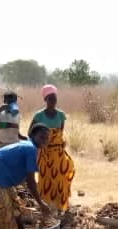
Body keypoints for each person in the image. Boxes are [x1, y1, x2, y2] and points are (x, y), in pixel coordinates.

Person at [31, 85, 75, 213]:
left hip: (58, 153)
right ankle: (47, 207)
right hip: (45, 154)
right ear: (45, 99)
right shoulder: (39, 116)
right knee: (46, 180)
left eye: (55, 98)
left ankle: (60, 206)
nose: (53, 101)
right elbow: (31, 133)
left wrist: (61, 142)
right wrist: (41, 143)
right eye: (50, 99)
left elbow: (61, 132)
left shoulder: (61, 115)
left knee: (62, 178)